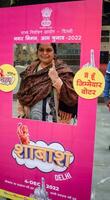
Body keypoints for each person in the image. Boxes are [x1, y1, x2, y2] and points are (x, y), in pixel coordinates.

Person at [17, 43, 78, 124]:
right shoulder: (30, 70)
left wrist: (56, 79)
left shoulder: (62, 70)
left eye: (48, 50)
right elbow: (22, 93)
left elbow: (72, 96)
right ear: (37, 52)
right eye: (41, 50)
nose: (44, 53)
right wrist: (21, 112)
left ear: (54, 52)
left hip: (55, 122)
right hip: (31, 119)